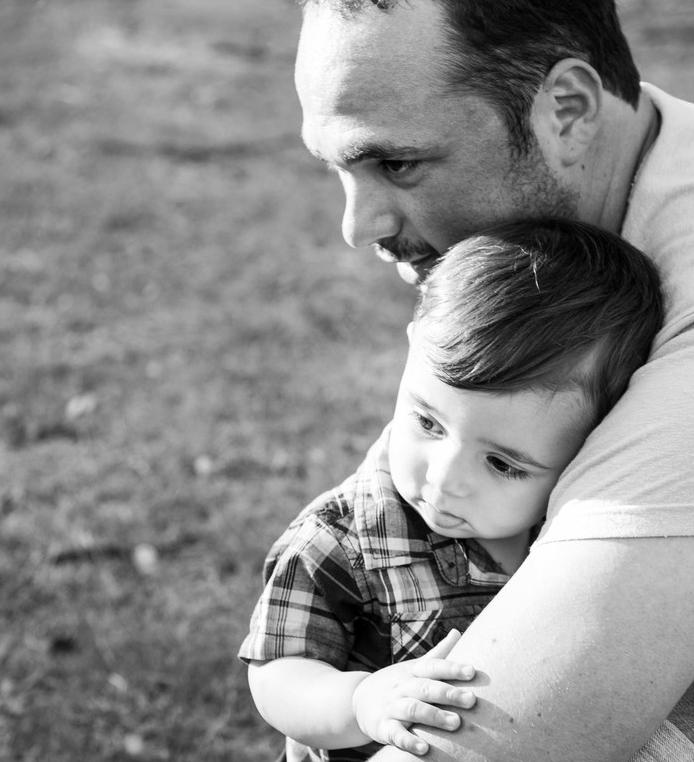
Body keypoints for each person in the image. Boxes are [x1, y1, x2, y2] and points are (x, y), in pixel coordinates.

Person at [289, 0, 694, 761]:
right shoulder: (635, 166)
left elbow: (508, 736)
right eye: (338, 166)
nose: (358, 225)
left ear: (568, 110)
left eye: (398, 165)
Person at [240, 219, 665, 762]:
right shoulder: (339, 543)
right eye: (428, 423)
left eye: (502, 464)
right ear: (413, 348)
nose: (443, 479)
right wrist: (359, 700)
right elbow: (277, 673)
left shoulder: (594, 542)